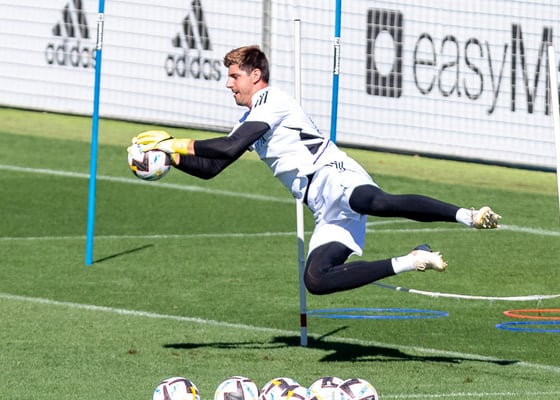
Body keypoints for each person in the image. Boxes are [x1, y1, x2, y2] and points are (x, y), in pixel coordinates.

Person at [130, 45, 501, 295]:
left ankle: (467, 216)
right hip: (322, 206)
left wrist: (173, 143)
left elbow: (228, 147)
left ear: (256, 75)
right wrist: (173, 158)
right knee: (316, 280)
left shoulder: (271, 100)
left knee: (375, 202)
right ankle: (412, 260)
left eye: (234, 76)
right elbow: (214, 166)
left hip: (334, 173)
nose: (228, 84)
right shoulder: (248, 118)